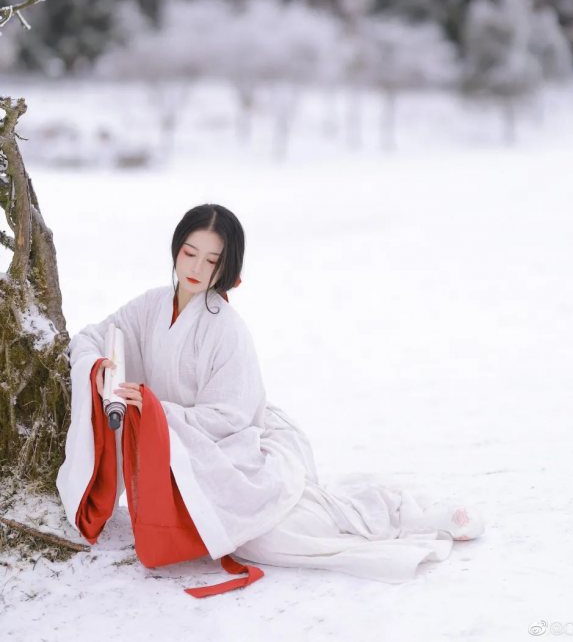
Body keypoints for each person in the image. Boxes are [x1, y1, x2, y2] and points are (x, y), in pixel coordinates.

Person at [56, 203, 484, 585]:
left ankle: (404, 514)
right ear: (176, 249)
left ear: (226, 267)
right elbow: (95, 336)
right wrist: (100, 366)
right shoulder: (150, 305)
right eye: (189, 253)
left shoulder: (226, 328)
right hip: (182, 451)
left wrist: (155, 410)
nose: (197, 268)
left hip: (237, 449)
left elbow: (232, 417)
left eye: (212, 260)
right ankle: (385, 512)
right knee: (251, 536)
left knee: (274, 536)